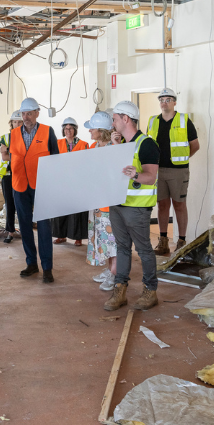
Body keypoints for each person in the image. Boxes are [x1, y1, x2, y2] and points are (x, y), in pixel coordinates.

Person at [105, 100, 161, 312]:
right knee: (122, 248)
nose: (113, 123)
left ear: (125, 119)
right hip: (118, 204)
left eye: (115, 119)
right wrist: (115, 147)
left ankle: (150, 290)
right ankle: (120, 289)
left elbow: (151, 177)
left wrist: (136, 174)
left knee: (144, 249)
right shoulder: (122, 144)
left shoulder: (146, 144)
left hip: (137, 208)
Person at [9, 97, 59, 283]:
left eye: (29, 113)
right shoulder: (13, 134)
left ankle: (47, 267)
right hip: (19, 185)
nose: (26, 117)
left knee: (44, 227)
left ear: (37, 113)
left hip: (42, 186)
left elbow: (55, 159)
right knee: (24, 225)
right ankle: (31, 263)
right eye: (23, 113)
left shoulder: (47, 131)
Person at [147, 88, 200, 255]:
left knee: (179, 205)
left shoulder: (184, 120)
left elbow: (195, 145)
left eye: (168, 99)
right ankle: (163, 242)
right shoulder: (152, 121)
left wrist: (182, 159)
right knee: (162, 205)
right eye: (161, 99)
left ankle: (182, 242)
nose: (164, 102)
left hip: (178, 172)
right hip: (158, 171)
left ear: (175, 102)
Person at [84, 111, 118, 292]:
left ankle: (115, 273)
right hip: (96, 201)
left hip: (109, 202)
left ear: (101, 130)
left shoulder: (113, 147)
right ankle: (109, 269)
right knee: (102, 239)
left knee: (112, 239)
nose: (89, 131)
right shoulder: (94, 147)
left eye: (92, 128)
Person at [52, 117, 90, 246]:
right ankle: (61, 236)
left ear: (75, 130)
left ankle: (78, 237)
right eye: (66, 128)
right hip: (61, 182)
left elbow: (86, 163)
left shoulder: (84, 144)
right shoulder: (57, 143)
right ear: (63, 130)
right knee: (61, 210)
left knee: (77, 211)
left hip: (77, 182)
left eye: (71, 128)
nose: (68, 131)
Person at [0, 110, 22, 244]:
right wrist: (20, 156)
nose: (16, 124)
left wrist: (11, 154)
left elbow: (9, 154)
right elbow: (4, 156)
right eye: (14, 122)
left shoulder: (26, 137)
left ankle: (24, 229)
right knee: (10, 204)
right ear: (11, 123)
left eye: (19, 122)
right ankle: (10, 231)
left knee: (22, 204)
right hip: (8, 175)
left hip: (22, 174)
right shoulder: (5, 138)